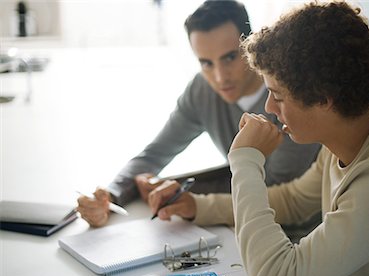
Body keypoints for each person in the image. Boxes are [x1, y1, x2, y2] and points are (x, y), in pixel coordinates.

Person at [150, 1, 369, 276]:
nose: (269, 107)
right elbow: (292, 200)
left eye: (278, 96)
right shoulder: (344, 146)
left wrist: (246, 162)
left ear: (324, 99)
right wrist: (199, 206)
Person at [76, 0, 321, 227]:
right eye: (206, 63)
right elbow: (155, 154)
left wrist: (179, 191)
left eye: (230, 57)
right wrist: (110, 195)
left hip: (301, 230)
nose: (219, 77)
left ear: (251, 45)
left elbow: (278, 189)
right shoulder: (202, 90)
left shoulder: (287, 99)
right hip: (238, 221)